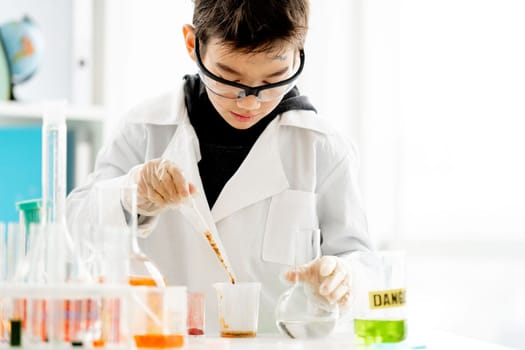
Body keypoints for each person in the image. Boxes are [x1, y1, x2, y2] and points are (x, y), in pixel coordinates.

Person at [67, 0, 372, 332]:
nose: (251, 101)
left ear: (299, 52)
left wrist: (345, 277)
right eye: (229, 77)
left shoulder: (323, 148)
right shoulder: (144, 129)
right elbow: (73, 228)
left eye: (273, 79)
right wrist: (130, 194)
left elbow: (362, 265)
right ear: (192, 45)